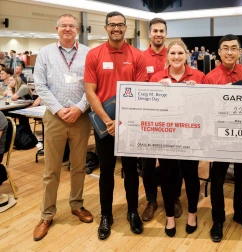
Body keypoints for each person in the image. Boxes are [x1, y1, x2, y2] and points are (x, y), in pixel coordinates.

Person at [84, 11, 148, 240]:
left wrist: (122, 122)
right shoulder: (94, 54)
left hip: (129, 125)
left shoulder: (138, 56)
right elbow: (90, 91)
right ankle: (106, 215)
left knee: (131, 171)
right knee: (106, 171)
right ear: (106, 28)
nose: (116, 28)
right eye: (112, 25)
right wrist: (108, 121)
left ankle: (132, 212)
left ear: (126, 28)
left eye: (120, 25)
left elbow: (139, 93)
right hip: (104, 124)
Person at [33, 13, 93, 241]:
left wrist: (79, 108)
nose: (68, 29)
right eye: (64, 26)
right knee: (51, 170)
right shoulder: (46, 53)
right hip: (55, 118)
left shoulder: (88, 53)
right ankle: (47, 214)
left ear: (77, 30)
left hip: (80, 117)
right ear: (56, 28)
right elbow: (40, 85)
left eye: (72, 26)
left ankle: (77, 204)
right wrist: (59, 109)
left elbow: (92, 85)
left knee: (78, 166)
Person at [204, 34, 242, 243]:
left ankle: (240, 213)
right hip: (219, 137)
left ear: (239, 51)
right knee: (217, 180)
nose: (229, 52)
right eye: (225, 48)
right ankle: (218, 219)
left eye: (233, 48)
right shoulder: (210, 78)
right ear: (219, 52)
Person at [150, 40, 205, 237]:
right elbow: (150, 110)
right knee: (167, 177)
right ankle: (170, 217)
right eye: (172, 53)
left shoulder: (198, 77)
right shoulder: (157, 78)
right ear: (167, 56)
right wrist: (157, 90)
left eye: (180, 53)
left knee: (191, 176)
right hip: (166, 137)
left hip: (190, 137)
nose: (176, 56)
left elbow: (206, 109)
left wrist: (197, 92)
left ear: (186, 55)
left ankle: (192, 214)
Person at [142, 17, 183, 222]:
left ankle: (174, 197)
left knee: (175, 163)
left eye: (161, 31)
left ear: (166, 33)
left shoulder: (175, 54)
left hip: (174, 122)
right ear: (149, 33)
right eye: (155, 31)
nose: (158, 34)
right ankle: (151, 199)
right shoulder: (141, 57)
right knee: (147, 163)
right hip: (150, 121)